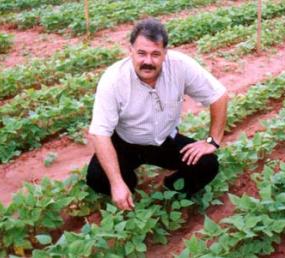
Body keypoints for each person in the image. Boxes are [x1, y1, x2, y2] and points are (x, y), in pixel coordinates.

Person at [86, 18, 228, 211]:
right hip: (126, 141)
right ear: (131, 51)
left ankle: (171, 190)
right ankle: (129, 185)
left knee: (207, 164)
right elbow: (100, 133)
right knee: (98, 178)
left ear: (165, 53)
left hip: (164, 139)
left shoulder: (180, 66)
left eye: (155, 54)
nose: (148, 61)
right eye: (141, 53)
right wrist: (117, 183)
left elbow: (218, 95)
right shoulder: (113, 79)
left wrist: (212, 141)